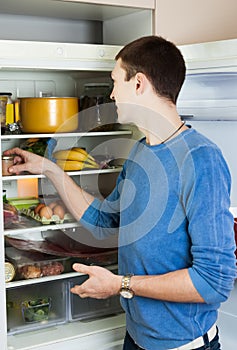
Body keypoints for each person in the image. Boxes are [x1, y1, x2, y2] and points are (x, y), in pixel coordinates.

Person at [4, 36, 236, 350]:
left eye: (115, 82)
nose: (112, 94)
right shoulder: (140, 153)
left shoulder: (201, 160)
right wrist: (48, 169)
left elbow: (214, 281)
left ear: (139, 83)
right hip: (136, 338)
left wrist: (120, 285)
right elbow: (104, 219)